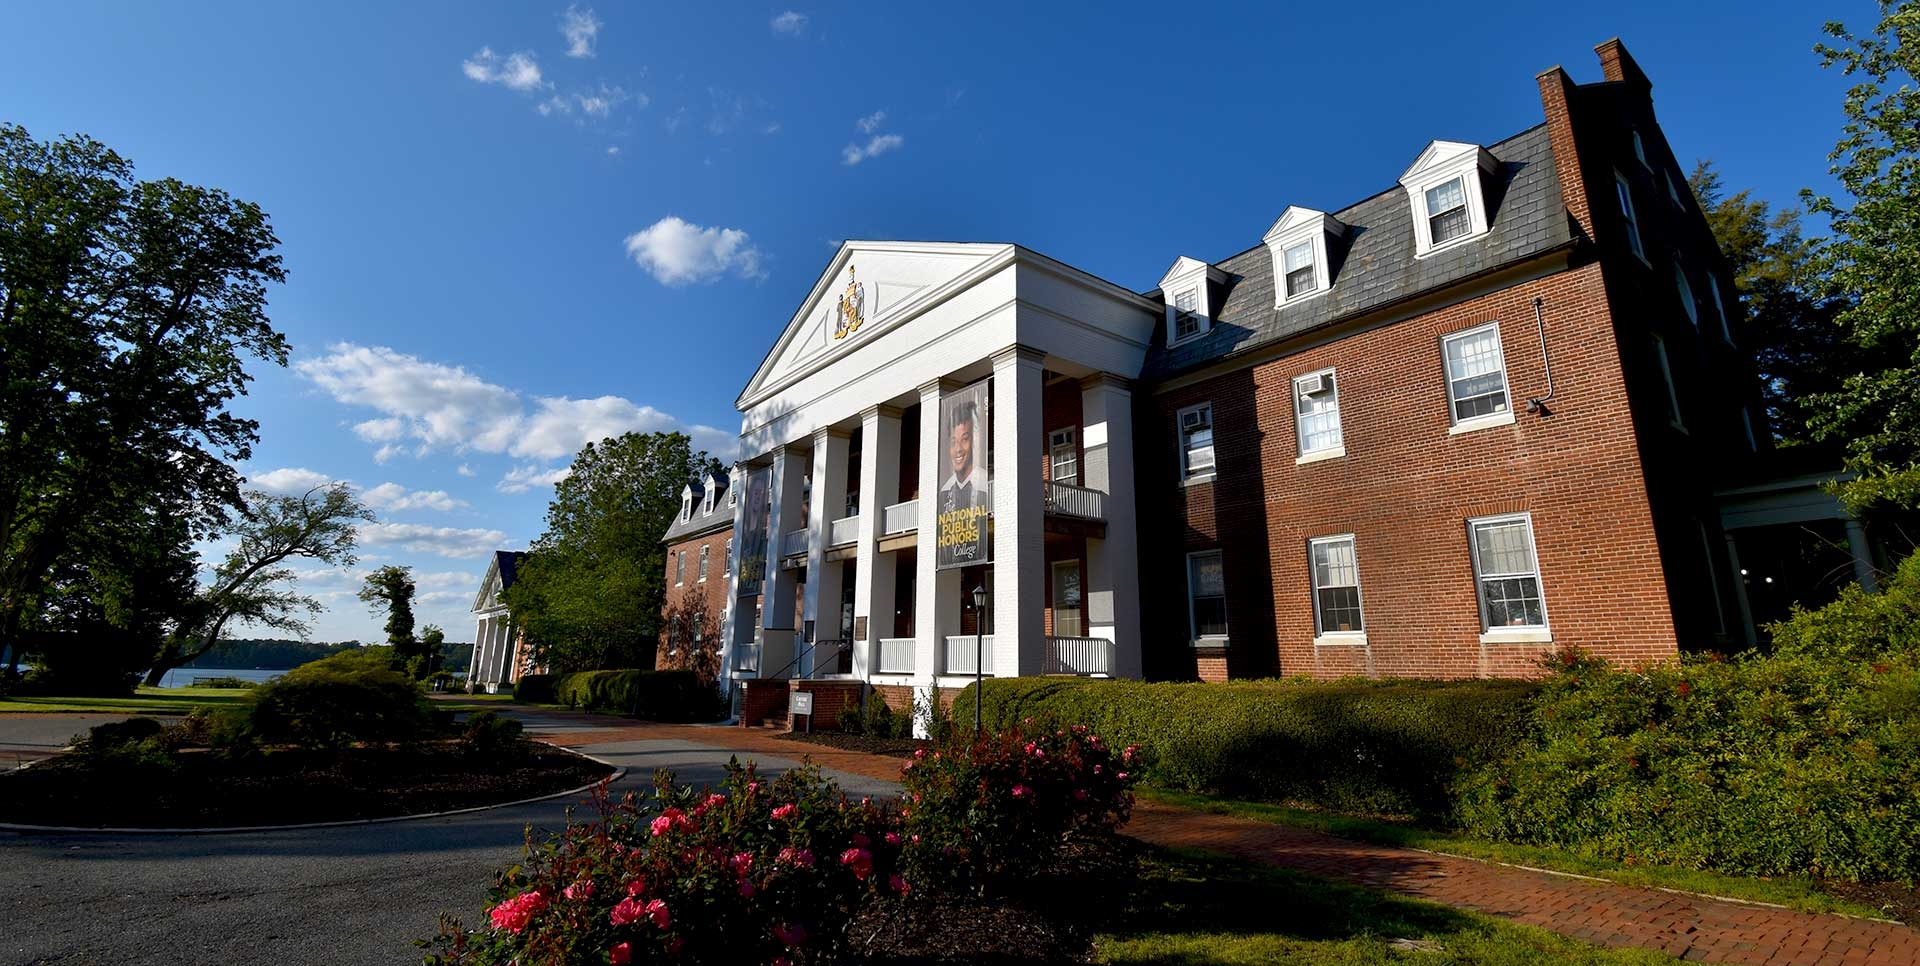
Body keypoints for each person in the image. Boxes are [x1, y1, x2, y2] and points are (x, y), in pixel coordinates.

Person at [940, 400, 988, 514]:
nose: (958, 449)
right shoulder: (945, 491)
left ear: (974, 441)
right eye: (953, 442)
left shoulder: (984, 484)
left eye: (964, 439)